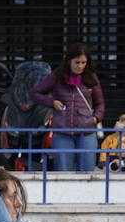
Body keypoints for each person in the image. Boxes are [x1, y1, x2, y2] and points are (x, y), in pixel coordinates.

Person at [31, 42, 105, 172]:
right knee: (63, 172)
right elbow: (35, 93)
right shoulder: (57, 76)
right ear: (69, 60)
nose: (80, 66)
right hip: (62, 131)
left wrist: (96, 118)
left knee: (87, 172)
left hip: (86, 131)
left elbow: (100, 103)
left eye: (83, 62)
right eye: (77, 62)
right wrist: (51, 102)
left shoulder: (91, 77)